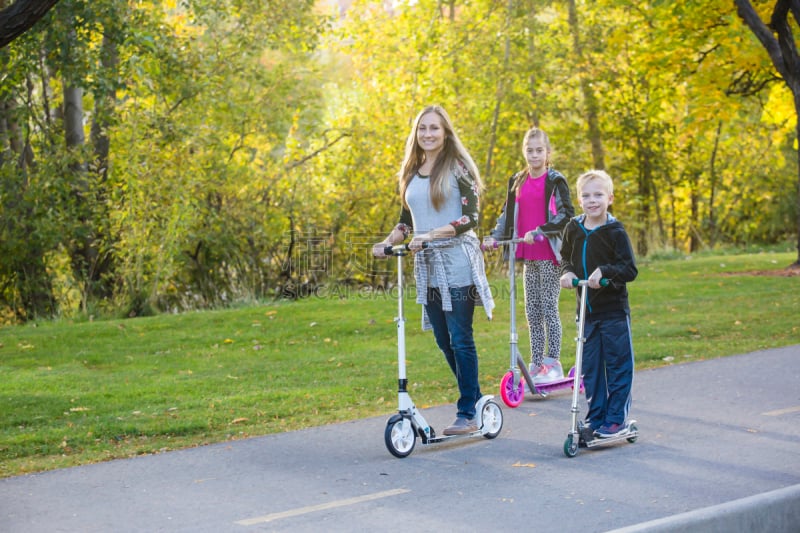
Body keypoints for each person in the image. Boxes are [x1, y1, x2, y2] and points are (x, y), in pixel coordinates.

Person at [372, 105, 494, 436]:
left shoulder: (458, 168)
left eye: (434, 128)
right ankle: (476, 396)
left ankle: (467, 411)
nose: (428, 134)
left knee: (460, 337)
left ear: (445, 132)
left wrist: (432, 235)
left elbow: (472, 218)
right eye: (422, 128)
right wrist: (387, 242)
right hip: (427, 265)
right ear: (416, 133)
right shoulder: (412, 171)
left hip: (458, 262)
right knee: (443, 339)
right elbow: (406, 221)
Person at [484, 128, 574, 384]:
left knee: (548, 308)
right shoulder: (517, 180)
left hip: (548, 253)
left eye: (539, 150)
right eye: (529, 150)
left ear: (548, 153)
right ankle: (536, 364)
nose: (534, 155)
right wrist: (494, 236)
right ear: (524, 152)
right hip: (527, 254)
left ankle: (552, 362)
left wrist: (540, 231)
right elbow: (506, 214)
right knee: (531, 311)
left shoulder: (555, 180)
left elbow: (566, 214)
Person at [559, 169, 638, 438]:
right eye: (586, 195)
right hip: (586, 311)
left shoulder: (615, 231)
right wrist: (567, 273)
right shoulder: (574, 228)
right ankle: (596, 417)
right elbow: (566, 258)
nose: (592, 200)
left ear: (610, 198)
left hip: (613, 311)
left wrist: (605, 271)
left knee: (617, 364)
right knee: (590, 367)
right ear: (579, 200)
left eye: (598, 195)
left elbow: (629, 269)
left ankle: (616, 419)